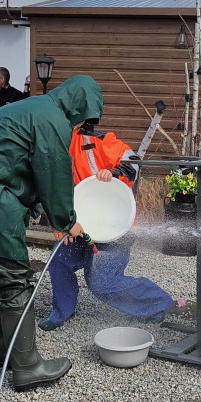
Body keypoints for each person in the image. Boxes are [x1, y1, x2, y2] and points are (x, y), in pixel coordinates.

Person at [0, 75, 103, 393]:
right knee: (14, 279)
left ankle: (0, 351)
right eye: (84, 121)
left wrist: (45, 213)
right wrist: (66, 221)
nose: (80, 128)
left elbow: (23, 165)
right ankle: (27, 367)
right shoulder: (52, 119)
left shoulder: (35, 108)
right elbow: (53, 171)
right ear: (79, 106)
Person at [38, 122, 173, 331]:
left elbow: (134, 162)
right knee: (59, 260)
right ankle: (62, 311)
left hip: (114, 228)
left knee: (101, 284)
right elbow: (49, 189)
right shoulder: (51, 150)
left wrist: (114, 172)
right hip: (80, 226)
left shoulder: (96, 139)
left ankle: (157, 304)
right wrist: (58, 222)